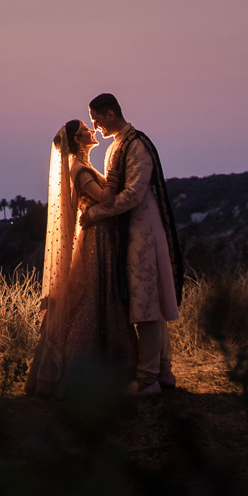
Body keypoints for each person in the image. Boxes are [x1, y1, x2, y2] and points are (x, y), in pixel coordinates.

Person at [83, 92, 185, 395]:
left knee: (147, 306)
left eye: (97, 120)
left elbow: (134, 194)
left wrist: (96, 213)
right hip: (133, 232)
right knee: (145, 303)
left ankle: (148, 378)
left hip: (144, 233)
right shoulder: (118, 146)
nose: (96, 127)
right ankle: (162, 372)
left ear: (111, 113)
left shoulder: (136, 145)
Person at [25, 118, 135, 396]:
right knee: (94, 294)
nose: (92, 130)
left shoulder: (83, 167)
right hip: (96, 239)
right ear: (77, 139)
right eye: (86, 129)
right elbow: (106, 199)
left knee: (101, 292)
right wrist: (113, 174)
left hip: (102, 235)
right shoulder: (80, 170)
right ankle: (81, 369)